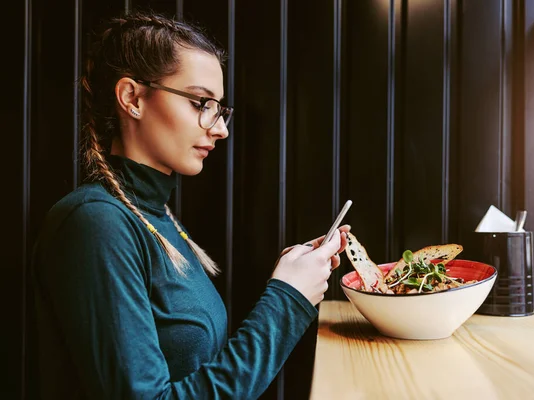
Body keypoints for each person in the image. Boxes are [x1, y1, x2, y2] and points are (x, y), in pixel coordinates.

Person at [31, 11, 350, 399]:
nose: (220, 128)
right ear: (132, 97)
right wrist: (287, 298)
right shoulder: (95, 223)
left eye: (219, 107)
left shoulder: (154, 215)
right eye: (201, 102)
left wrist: (291, 281)